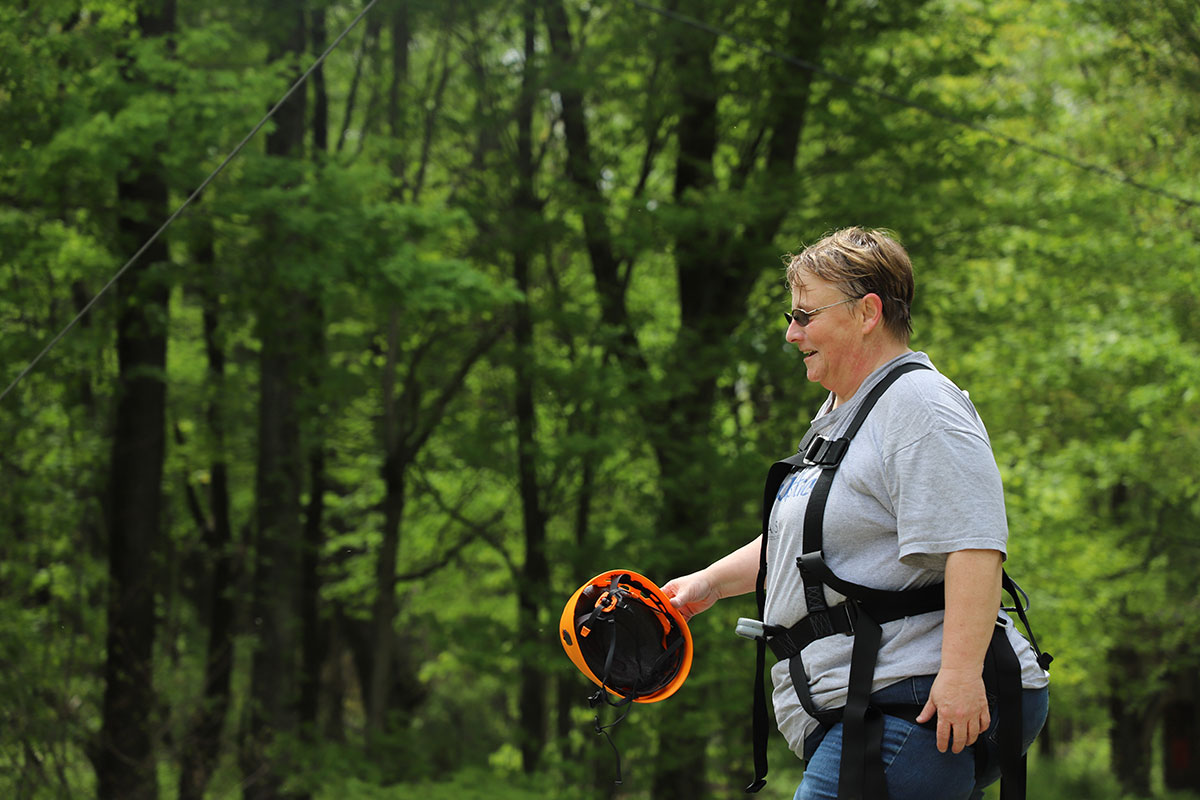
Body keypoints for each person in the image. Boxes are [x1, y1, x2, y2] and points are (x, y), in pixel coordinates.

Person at [662, 227, 1049, 800]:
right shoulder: (845, 414)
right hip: (874, 702)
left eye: (804, 315)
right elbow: (801, 545)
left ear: (867, 312)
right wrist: (709, 585)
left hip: (912, 700)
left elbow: (974, 545)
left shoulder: (919, 405)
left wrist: (962, 675)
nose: (791, 334)